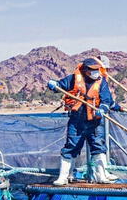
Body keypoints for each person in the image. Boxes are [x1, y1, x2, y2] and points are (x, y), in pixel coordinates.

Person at [47, 57, 122, 185]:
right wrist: (54, 85)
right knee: (71, 147)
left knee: (98, 146)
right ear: (86, 70)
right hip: (77, 121)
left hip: (95, 121)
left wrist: (103, 108)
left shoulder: (101, 81)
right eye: (93, 70)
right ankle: (64, 177)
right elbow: (60, 85)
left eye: (97, 69)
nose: (96, 72)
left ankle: (101, 176)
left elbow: (106, 99)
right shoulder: (73, 79)